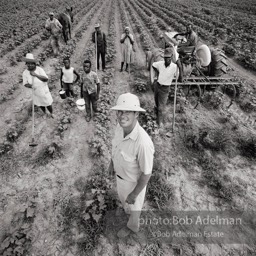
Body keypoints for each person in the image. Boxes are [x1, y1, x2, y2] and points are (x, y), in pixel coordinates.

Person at [108, 93, 154, 239]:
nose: (122, 115)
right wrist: (111, 163)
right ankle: (126, 209)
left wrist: (134, 194)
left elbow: (146, 173)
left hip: (132, 184)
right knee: (124, 201)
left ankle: (132, 227)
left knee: (134, 209)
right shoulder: (119, 127)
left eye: (127, 111)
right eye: (120, 111)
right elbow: (116, 147)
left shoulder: (142, 143)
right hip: (120, 178)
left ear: (136, 115)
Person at [152, 47, 179, 128]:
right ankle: (156, 113)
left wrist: (180, 67)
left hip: (165, 89)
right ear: (164, 58)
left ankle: (159, 123)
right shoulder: (160, 64)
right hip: (157, 86)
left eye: (169, 58)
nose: (167, 59)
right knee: (156, 102)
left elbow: (179, 78)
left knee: (161, 107)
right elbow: (153, 65)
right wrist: (157, 72)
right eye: (165, 58)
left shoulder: (174, 67)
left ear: (171, 57)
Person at [22, 53, 54, 119]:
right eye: (28, 63)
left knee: (48, 103)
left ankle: (51, 113)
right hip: (36, 91)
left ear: (34, 64)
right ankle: (45, 112)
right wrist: (30, 86)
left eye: (31, 63)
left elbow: (46, 79)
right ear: (26, 64)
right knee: (40, 104)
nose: (30, 65)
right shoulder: (25, 73)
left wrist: (36, 75)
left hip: (44, 90)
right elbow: (25, 83)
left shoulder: (39, 70)